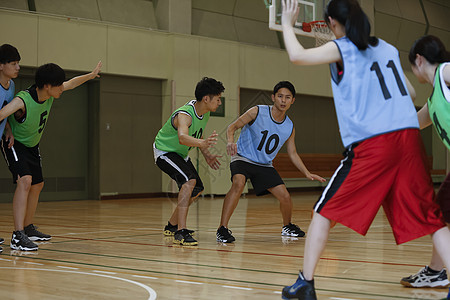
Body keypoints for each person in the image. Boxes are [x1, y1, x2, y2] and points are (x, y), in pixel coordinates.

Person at [279, 0, 450, 299]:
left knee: (323, 210)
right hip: (408, 139)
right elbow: (408, 91)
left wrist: (286, 21)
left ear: (332, 23)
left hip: (374, 142)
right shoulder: (384, 47)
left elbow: (296, 56)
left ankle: (305, 282)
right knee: (433, 218)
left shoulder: (342, 47)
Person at [0, 61, 102, 251]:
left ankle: (28, 228)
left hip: (32, 145)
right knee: (25, 181)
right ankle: (17, 235)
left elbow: (71, 83)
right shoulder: (23, 100)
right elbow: (2, 113)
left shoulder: (50, 93)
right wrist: (7, 129)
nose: (62, 88)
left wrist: (90, 75)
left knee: (38, 184)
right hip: (15, 144)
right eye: (58, 85)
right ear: (47, 86)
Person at [216, 81, 325, 243]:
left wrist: (306, 173)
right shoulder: (257, 111)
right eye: (280, 96)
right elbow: (232, 127)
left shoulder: (289, 126)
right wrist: (230, 142)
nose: (283, 100)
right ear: (273, 97)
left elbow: (292, 152)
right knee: (238, 183)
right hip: (242, 157)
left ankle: (287, 226)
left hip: (264, 165)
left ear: (292, 100)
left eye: (287, 97)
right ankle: (222, 229)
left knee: (285, 197)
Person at [399, 35, 450, 291]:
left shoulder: (445, 72)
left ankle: (437, 271)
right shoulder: (434, 102)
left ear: (419, 59)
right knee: (441, 215)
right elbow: (410, 123)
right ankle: (436, 271)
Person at [154, 77, 224, 246]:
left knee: (197, 188)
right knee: (189, 181)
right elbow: (183, 137)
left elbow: (197, 136)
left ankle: (171, 225)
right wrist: (202, 143)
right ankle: (181, 231)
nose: (220, 103)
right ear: (206, 99)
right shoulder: (184, 115)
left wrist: (207, 154)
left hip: (180, 155)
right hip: (165, 152)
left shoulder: (204, 112)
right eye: (218, 99)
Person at [0, 44, 21, 253]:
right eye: (13, 63)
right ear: (1, 65)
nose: (17, 67)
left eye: (18, 63)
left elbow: (5, 111)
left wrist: (8, 130)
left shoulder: (11, 86)